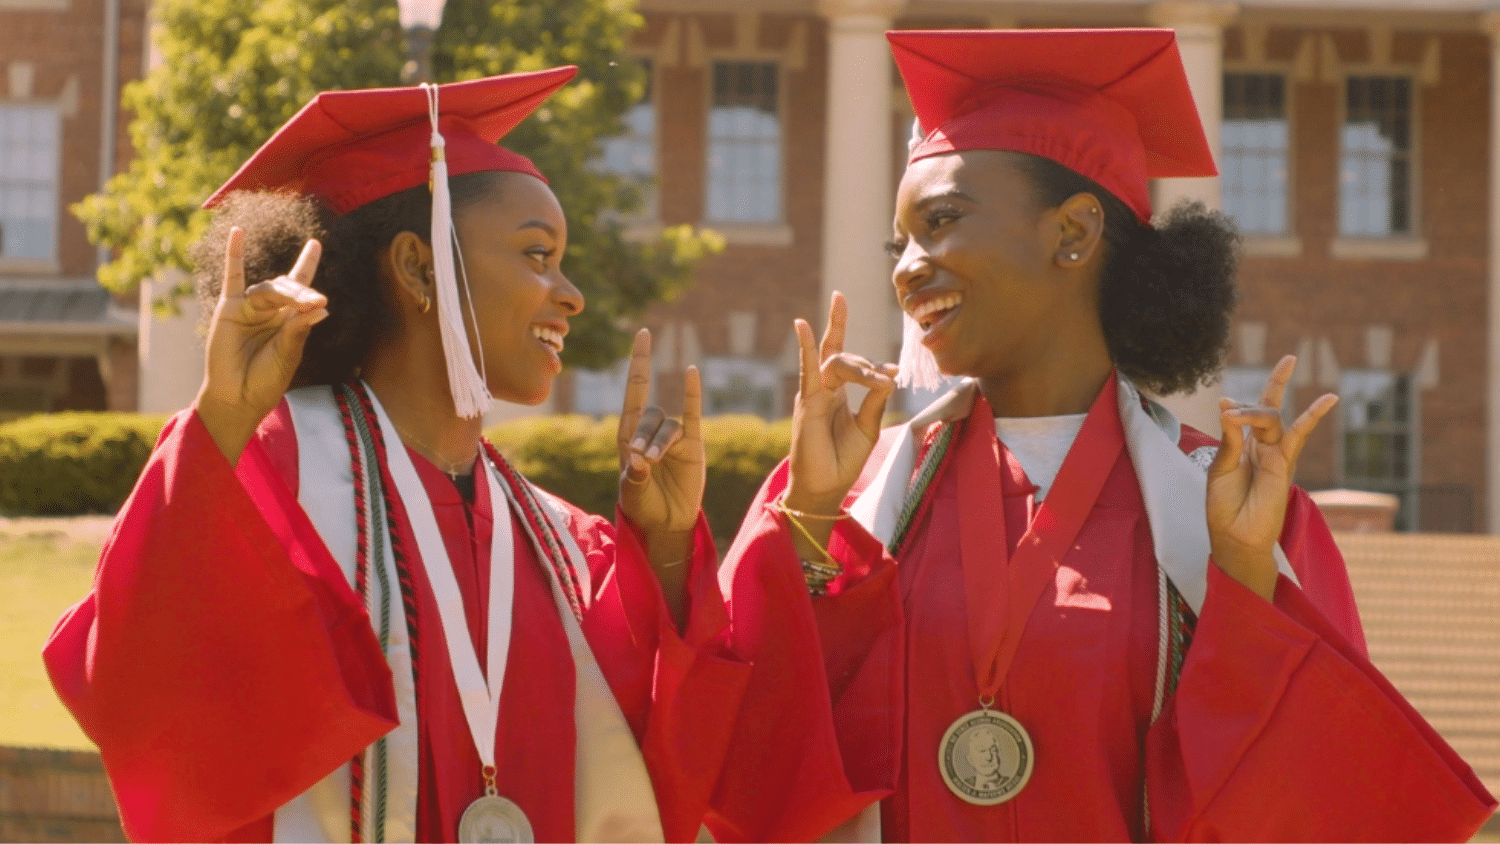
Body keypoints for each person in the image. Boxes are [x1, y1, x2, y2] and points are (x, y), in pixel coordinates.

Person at [709, 28, 1497, 842]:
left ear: (1074, 233)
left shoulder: (1227, 513)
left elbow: (1312, 804)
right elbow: (745, 760)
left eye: (941, 221)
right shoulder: (861, 495)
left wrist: (1246, 579)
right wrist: (806, 514)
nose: (908, 266)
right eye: (900, 241)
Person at [43, 68, 748, 844]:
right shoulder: (273, 476)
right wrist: (222, 419)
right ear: (416, 268)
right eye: (538, 255)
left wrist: (669, 546)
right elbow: (143, 677)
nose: (571, 293)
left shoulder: (557, 539)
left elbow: (669, 762)